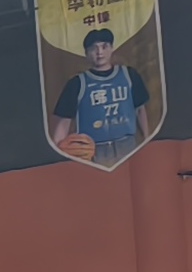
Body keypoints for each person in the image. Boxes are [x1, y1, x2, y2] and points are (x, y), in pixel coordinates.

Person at [58, 24, 151, 167]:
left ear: (112, 48)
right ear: (86, 53)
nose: (99, 52)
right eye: (93, 48)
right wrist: (58, 151)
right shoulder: (76, 83)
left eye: (104, 46)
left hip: (127, 146)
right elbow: (64, 122)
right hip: (92, 150)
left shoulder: (129, 75)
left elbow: (140, 109)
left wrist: (147, 139)